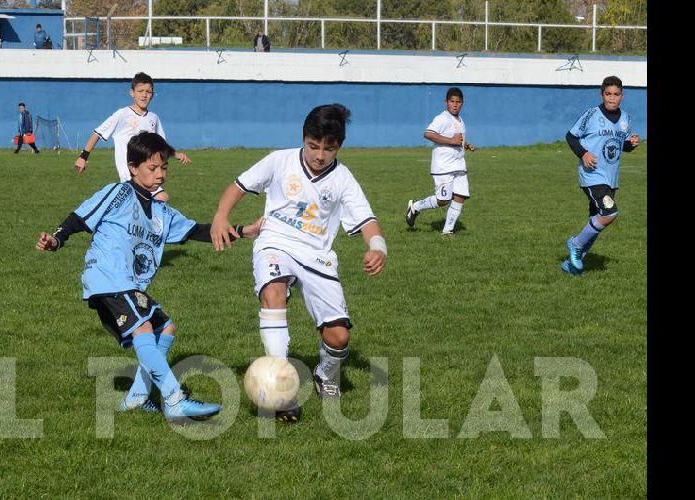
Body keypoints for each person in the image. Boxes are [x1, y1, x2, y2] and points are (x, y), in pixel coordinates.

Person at [35, 132, 263, 420]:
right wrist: (56, 241)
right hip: (107, 278)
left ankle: (137, 398)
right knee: (143, 329)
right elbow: (78, 219)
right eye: (152, 168)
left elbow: (197, 230)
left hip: (129, 285)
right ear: (133, 167)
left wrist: (244, 231)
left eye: (164, 168)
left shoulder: (162, 212)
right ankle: (174, 398)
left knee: (165, 328)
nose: (160, 175)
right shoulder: (117, 194)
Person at [209, 104, 387, 423]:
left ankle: (325, 375)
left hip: (317, 254)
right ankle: (282, 389)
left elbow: (367, 220)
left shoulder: (343, 179)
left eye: (329, 149)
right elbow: (239, 186)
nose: (320, 155)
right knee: (273, 294)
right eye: (313, 146)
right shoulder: (280, 160)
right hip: (275, 240)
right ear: (303, 138)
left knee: (338, 337)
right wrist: (221, 217)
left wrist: (378, 247)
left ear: (339, 147)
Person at [561, 75, 640, 276]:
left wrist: (630, 144)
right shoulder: (591, 115)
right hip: (592, 175)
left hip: (611, 178)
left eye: (615, 95)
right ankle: (575, 243)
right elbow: (571, 136)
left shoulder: (626, 119)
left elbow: (619, 145)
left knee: (596, 222)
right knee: (609, 213)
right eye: (608, 94)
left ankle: (572, 265)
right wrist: (583, 153)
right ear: (601, 94)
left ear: (622, 96)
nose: (611, 98)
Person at [74, 72, 192, 202]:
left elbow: (161, 145)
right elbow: (98, 133)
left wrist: (177, 154)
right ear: (132, 93)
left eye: (148, 91)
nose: (144, 94)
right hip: (130, 172)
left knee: (157, 202)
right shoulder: (122, 114)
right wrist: (83, 157)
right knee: (160, 198)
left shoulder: (153, 118)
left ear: (153, 95)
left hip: (148, 172)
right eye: (140, 91)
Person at [404, 87, 477, 235]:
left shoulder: (460, 120)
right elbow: (428, 134)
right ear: (446, 102)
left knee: (460, 197)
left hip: (459, 165)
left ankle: (447, 231)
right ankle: (416, 207)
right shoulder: (442, 118)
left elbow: (456, 139)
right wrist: (451, 140)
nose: (455, 105)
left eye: (458, 102)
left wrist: (465, 144)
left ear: (462, 103)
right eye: (452, 101)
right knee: (443, 200)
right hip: (443, 167)